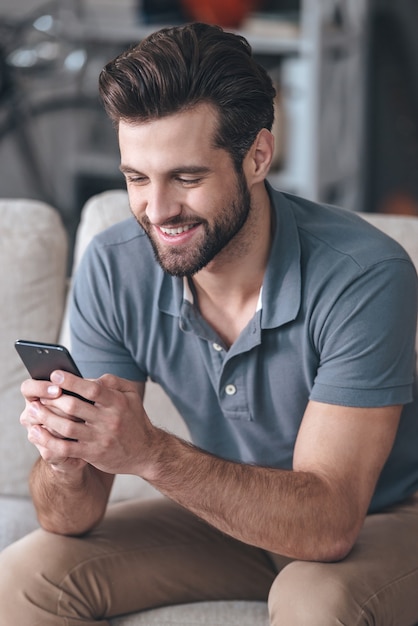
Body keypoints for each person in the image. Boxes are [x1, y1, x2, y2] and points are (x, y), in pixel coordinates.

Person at [1, 21, 418, 626]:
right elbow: (70, 518)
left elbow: (328, 525)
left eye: (187, 178)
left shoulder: (364, 274)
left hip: (379, 517)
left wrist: (152, 456)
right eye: (136, 179)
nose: (157, 210)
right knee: (22, 578)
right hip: (227, 513)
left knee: (314, 601)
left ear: (256, 156)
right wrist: (68, 459)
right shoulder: (116, 266)